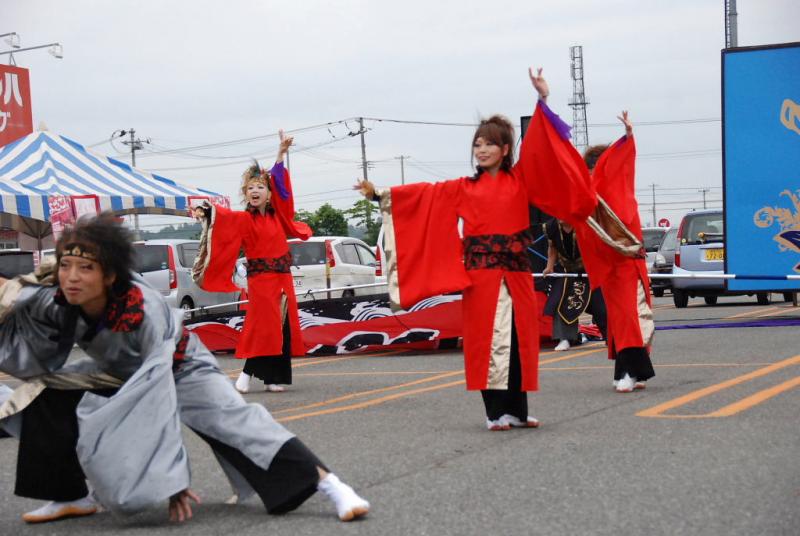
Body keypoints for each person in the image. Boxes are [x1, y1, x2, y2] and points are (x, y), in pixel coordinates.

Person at [0, 213, 369, 524]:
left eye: (85, 268)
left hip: (179, 368)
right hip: (117, 372)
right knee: (45, 394)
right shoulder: (58, 299)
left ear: (110, 275)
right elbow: (17, 303)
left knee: (239, 424)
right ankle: (71, 495)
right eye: (65, 266)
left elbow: (156, 391)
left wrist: (169, 478)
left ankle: (332, 486)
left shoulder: (142, 308)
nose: (72, 277)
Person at [355, 68, 597, 431]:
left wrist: (543, 100)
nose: (481, 150)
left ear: (505, 149)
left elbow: (539, 148)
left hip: (516, 274)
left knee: (519, 339)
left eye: (488, 144)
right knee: (488, 341)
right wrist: (378, 194)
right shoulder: (462, 188)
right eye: (477, 144)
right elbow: (423, 196)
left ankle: (518, 410)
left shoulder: (521, 180)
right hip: (482, 277)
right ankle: (494, 412)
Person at [192, 130, 310, 394]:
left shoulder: (278, 216)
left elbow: (284, 192)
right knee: (262, 325)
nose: (255, 191)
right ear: (245, 194)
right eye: (250, 188)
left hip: (282, 278)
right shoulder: (244, 219)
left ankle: (271, 378)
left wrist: (280, 155)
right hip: (260, 280)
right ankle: (245, 374)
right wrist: (206, 212)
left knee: (280, 327)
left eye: (260, 187)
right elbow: (222, 219)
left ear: (269, 193)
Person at [576, 112, 656, 393]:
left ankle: (633, 371)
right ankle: (627, 370)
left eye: (597, 170)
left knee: (633, 318)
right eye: (590, 171)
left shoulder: (622, 198)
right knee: (620, 320)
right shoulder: (591, 203)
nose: (594, 176)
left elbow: (623, 164)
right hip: (609, 268)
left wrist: (628, 138)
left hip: (629, 265)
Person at [542, 218, 608, 351]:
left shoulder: (586, 223)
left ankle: (610, 337)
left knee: (600, 306)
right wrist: (549, 267)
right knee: (561, 301)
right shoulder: (551, 227)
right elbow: (552, 247)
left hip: (590, 269)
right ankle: (564, 338)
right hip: (567, 271)